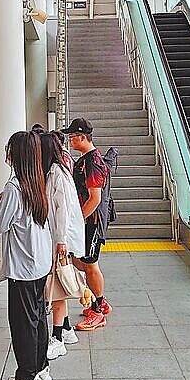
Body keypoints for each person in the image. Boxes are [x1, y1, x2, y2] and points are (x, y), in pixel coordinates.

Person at [0, 130, 54, 380]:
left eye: (8, 148)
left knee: (22, 322)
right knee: (38, 317)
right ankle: (40, 370)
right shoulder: (37, 180)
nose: (5, 151)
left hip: (23, 267)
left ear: (16, 154)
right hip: (38, 262)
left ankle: (26, 379)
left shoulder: (15, 188)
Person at [62, 118, 112, 331]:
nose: (70, 141)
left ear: (82, 137)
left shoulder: (92, 162)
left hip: (91, 220)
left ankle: (98, 311)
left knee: (90, 264)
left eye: (72, 137)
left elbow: (95, 198)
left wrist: (77, 220)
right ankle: (100, 301)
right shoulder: (85, 159)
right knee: (81, 261)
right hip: (86, 220)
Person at [41, 132, 85, 359]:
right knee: (59, 286)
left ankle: (57, 338)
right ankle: (67, 330)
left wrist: (61, 241)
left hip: (61, 240)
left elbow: (62, 211)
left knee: (57, 289)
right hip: (61, 239)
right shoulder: (56, 171)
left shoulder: (56, 173)